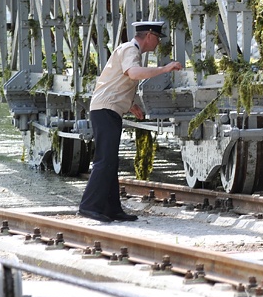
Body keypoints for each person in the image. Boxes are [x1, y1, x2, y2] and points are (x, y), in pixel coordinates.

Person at [77, 21, 183, 222]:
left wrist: (132, 104)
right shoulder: (130, 50)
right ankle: (88, 206)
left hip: (110, 110)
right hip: (105, 110)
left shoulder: (129, 51)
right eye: (158, 39)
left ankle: (111, 208)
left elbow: (119, 81)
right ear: (149, 35)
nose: (158, 44)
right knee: (104, 160)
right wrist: (164, 69)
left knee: (110, 161)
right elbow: (133, 73)